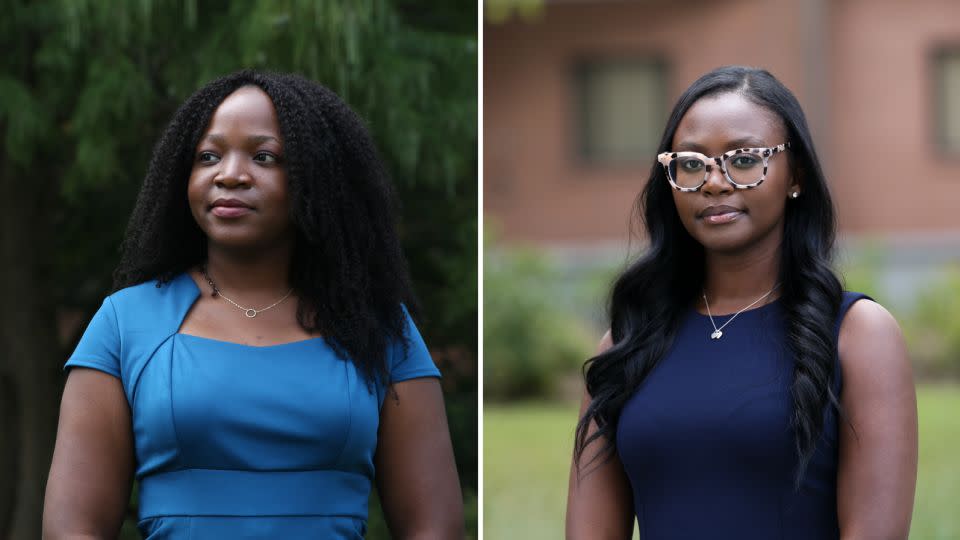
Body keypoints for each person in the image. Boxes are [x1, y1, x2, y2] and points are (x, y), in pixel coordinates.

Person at [43, 70, 464, 539]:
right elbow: (73, 528)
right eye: (208, 156)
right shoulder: (125, 323)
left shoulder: (379, 326)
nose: (230, 175)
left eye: (264, 157)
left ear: (316, 178)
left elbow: (434, 526)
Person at [565, 66, 917, 540]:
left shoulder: (859, 334)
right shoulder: (627, 345)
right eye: (690, 163)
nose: (713, 181)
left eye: (744, 159)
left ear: (797, 176)